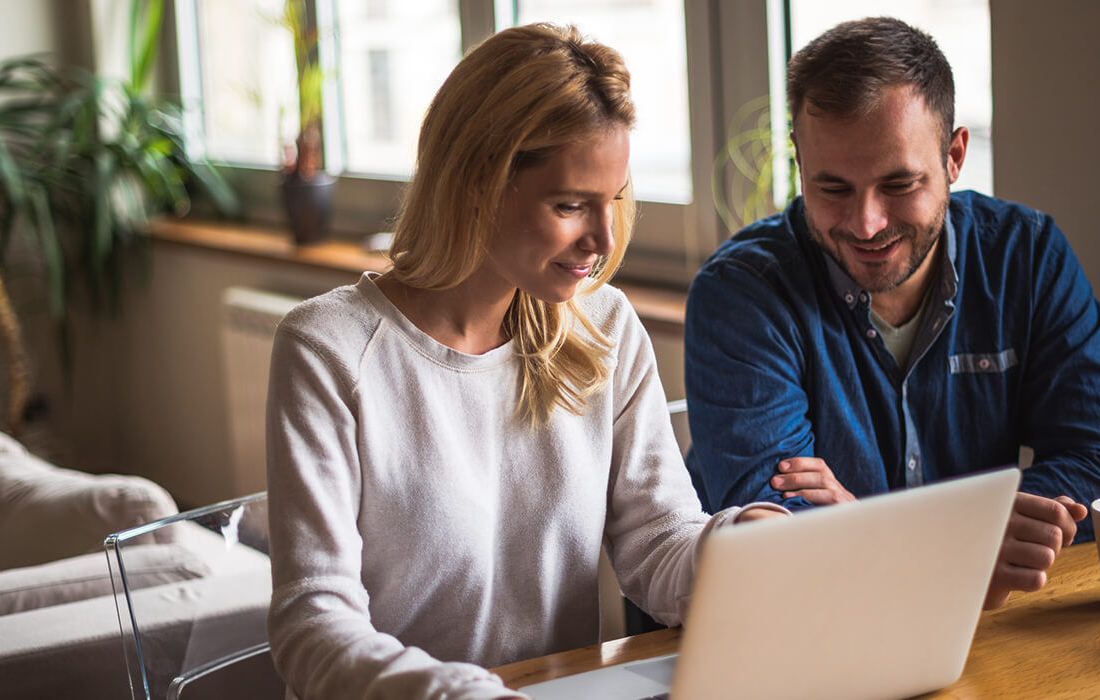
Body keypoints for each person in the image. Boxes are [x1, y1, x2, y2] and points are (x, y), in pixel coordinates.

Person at [265, 24, 786, 700]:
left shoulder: (604, 328)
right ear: (477, 184)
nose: (601, 240)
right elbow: (312, 621)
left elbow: (658, 542)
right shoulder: (327, 348)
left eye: (615, 200)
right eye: (571, 205)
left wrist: (744, 544)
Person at [684, 17, 1100, 610]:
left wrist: (870, 526)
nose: (866, 223)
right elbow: (774, 536)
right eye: (833, 189)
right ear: (800, 162)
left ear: (954, 156)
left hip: (961, 632)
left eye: (898, 183)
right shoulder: (743, 293)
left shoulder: (1026, 256)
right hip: (774, 635)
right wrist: (963, 536)